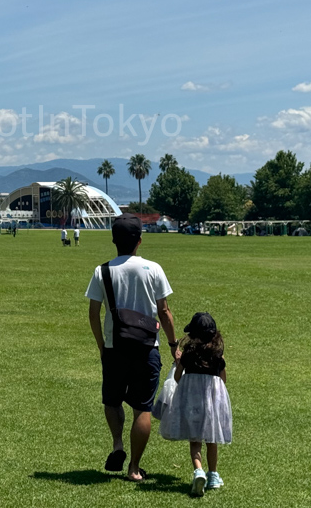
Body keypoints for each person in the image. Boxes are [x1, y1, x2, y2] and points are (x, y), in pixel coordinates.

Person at [86, 213, 177, 482]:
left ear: (114, 240)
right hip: (147, 347)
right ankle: (134, 468)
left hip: (115, 348)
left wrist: (102, 346)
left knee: (112, 401)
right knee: (142, 408)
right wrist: (173, 344)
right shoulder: (153, 269)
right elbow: (165, 312)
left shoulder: (102, 271)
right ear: (139, 240)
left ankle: (117, 444)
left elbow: (93, 313)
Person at [158, 312, 232, 497]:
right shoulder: (217, 355)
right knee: (211, 439)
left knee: (195, 439)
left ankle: (198, 470)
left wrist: (179, 363)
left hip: (192, 402)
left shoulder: (188, 354)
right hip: (212, 402)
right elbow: (223, 379)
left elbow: (177, 377)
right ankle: (213, 474)